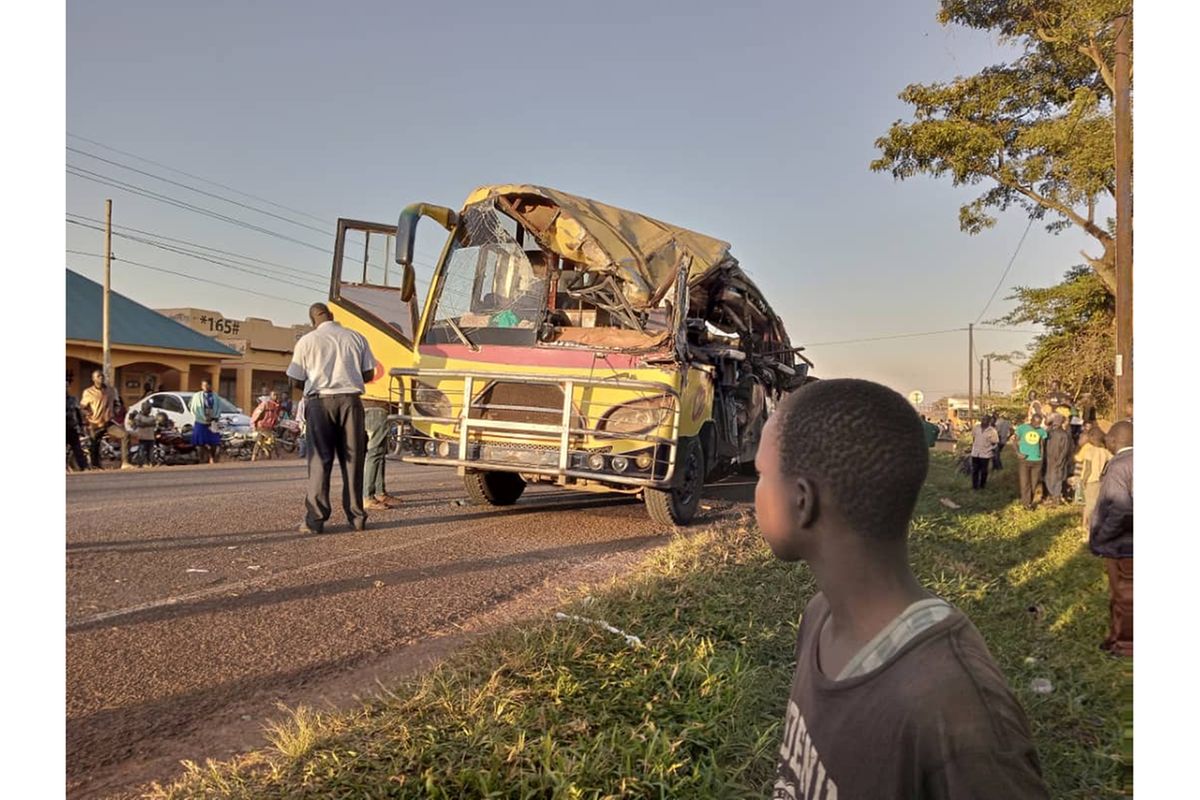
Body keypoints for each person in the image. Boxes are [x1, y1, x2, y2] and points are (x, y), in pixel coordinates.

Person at [755, 379, 1048, 799]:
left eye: (761, 474)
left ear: (802, 501)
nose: (757, 489)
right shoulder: (819, 615)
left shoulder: (957, 708)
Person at [287, 303, 377, 534]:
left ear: (312, 321)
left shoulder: (306, 341)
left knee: (319, 462)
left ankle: (315, 520)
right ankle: (356, 518)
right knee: (353, 461)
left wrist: (314, 382)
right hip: (350, 402)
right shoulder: (356, 337)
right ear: (332, 315)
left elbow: (295, 379)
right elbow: (369, 373)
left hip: (319, 403)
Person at [1089, 420, 1133, 657]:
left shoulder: (1119, 465)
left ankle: (1124, 644)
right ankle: (1116, 637)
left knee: (1124, 596)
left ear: (1115, 440)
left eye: (1108, 438)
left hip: (1122, 543)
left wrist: (1101, 537)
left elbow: (1119, 509)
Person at [80, 370, 132, 470]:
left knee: (125, 435)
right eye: (98, 376)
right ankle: (95, 466)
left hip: (108, 422)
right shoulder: (88, 392)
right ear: (93, 379)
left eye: (102, 376)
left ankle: (125, 462)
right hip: (95, 423)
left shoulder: (111, 390)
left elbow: (117, 403)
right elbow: (82, 407)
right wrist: (88, 414)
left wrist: (116, 410)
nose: (101, 378)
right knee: (94, 445)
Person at [364, 398, 401, 510]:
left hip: (374, 408)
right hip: (376, 408)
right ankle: (368, 497)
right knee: (375, 453)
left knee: (379, 453)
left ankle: (379, 492)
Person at [1075, 426, 1112, 535]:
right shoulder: (1105, 452)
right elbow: (1110, 462)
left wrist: (1083, 481)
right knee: (1093, 504)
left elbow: (1087, 468)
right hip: (1099, 480)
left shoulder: (1089, 450)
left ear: (1092, 437)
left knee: (1088, 505)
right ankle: (1085, 525)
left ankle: (1087, 527)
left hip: (1089, 481)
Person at [1015, 412, 1048, 510]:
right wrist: (1018, 453)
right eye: (1036, 423)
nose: (1037, 425)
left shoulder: (1042, 431)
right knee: (1025, 483)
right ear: (1031, 420)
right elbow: (1014, 441)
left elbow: (1042, 445)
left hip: (1036, 461)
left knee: (1034, 483)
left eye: (1039, 423)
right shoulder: (1022, 428)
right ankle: (1026, 503)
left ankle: (1031, 500)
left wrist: (1042, 457)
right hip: (1024, 460)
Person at [1043, 414, 1074, 506]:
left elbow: (1065, 450)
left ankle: (1055, 497)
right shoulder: (1050, 432)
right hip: (1051, 459)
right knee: (1051, 477)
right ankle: (1053, 496)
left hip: (1056, 459)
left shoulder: (1062, 434)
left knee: (1055, 478)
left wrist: (1060, 460)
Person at [189, 380, 223, 464]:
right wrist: (203, 417)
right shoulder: (197, 396)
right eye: (204, 385)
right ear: (201, 386)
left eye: (208, 385)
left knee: (215, 442)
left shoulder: (216, 396)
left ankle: (212, 457)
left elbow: (219, 408)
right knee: (200, 442)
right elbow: (193, 407)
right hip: (200, 420)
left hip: (214, 420)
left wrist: (215, 417)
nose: (206, 387)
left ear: (211, 386)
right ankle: (202, 459)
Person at [250, 390, 283, 461]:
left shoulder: (276, 405)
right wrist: (253, 424)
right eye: (274, 395)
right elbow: (256, 414)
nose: (276, 396)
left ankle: (256, 455)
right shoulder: (265, 404)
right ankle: (278, 455)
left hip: (269, 426)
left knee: (260, 441)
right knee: (272, 439)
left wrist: (276, 422)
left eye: (277, 395)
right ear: (270, 396)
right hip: (262, 425)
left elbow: (275, 416)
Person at [969, 414, 999, 490]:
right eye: (982, 419)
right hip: (975, 453)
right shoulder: (976, 428)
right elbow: (974, 438)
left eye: (985, 420)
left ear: (989, 421)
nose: (983, 421)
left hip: (985, 454)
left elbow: (995, 443)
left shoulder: (992, 431)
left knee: (983, 471)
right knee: (975, 470)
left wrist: (991, 450)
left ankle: (982, 485)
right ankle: (974, 486)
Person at [66, 379, 89, 472]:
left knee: (77, 449)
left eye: (67, 386)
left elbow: (78, 413)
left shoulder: (73, 399)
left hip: (71, 427)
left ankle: (84, 467)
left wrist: (81, 426)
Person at [126, 400, 158, 467]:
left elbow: (154, 424)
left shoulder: (152, 417)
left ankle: (151, 463)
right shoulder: (139, 416)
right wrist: (149, 424)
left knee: (151, 453)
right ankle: (142, 464)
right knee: (142, 452)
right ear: (143, 408)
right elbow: (139, 424)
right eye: (147, 409)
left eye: (149, 409)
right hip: (142, 437)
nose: (148, 410)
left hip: (150, 437)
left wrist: (145, 424)